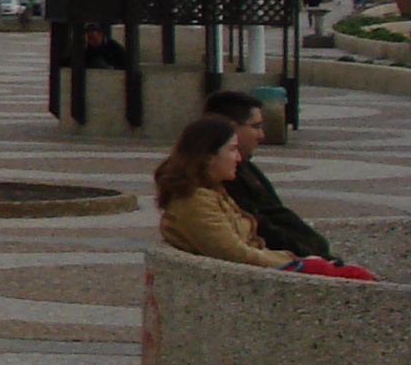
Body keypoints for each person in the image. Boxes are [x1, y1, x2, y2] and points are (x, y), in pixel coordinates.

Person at [154, 117, 374, 278]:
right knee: (350, 276)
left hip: (249, 274)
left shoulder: (210, 192)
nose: (239, 159)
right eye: (232, 150)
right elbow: (234, 253)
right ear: (209, 157)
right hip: (241, 279)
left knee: (347, 272)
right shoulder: (195, 201)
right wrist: (295, 261)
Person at [200, 89, 339, 262]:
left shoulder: (243, 168)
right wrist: (309, 258)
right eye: (256, 127)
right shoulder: (222, 179)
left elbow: (274, 214)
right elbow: (259, 231)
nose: (261, 135)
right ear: (231, 128)